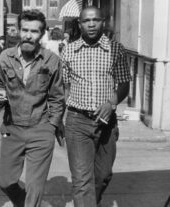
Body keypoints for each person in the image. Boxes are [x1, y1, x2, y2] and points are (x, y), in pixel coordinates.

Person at [0, 9, 65, 207]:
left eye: (34, 31)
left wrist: (52, 126)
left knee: (35, 188)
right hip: (12, 128)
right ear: (18, 30)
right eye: (24, 30)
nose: (27, 35)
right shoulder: (5, 57)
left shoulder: (51, 60)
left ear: (42, 34)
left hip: (41, 128)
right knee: (5, 182)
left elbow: (58, 97)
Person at [61, 6, 131, 207]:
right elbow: (65, 87)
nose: (91, 24)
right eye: (86, 21)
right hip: (78, 121)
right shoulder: (69, 50)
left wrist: (112, 103)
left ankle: (91, 202)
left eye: (96, 20)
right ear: (79, 24)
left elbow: (124, 84)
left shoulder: (116, 49)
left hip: (107, 122)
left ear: (104, 21)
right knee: (82, 181)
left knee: (103, 175)